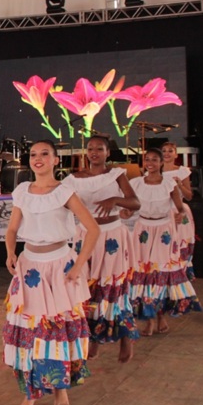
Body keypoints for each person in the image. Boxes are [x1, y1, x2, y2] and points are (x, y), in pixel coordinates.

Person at [4, 141, 97, 405]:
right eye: (33, 154)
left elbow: (92, 229)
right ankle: (31, 391)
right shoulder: (22, 191)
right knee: (30, 329)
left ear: (56, 160)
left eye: (45, 154)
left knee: (56, 328)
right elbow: (12, 229)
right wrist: (11, 252)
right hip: (29, 265)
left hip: (59, 266)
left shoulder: (64, 192)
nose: (38, 158)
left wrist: (78, 266)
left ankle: (60, 387)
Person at [64, 136, 140, 363]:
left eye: (100, 149)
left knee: (113, 285)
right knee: (88, 287)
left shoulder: (116, 174)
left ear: (108, 153)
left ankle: (126, 337)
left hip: (112, 237)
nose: (94, 152)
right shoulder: (73, 179)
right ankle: (94, 338)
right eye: (90, 148)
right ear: (85, 152)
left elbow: (135, 203)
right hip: (85, 237)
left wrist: (115, 200)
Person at [123, 148, 202, 336]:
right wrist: (125, 212)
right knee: (144, 271)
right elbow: (129, 205)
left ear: (160, 163)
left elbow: (179, 207)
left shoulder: (169, 183)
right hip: (143, 229)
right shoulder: (135, 183)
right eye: (147, 159)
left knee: (161, 272)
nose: (150, 163)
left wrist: (180, 215)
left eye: (154, 160)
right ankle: (148, 320)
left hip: (163, 230)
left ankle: (160, 317)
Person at [161, 141, 196, 279]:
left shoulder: (182, 171)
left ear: (175, 154)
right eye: (164, 151)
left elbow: (189, 196)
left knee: (180, 243)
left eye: (170, 151)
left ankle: (182, 272)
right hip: (162, 211)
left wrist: (180, 185)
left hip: (178, 209)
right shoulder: (155, 171)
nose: (167, 154)